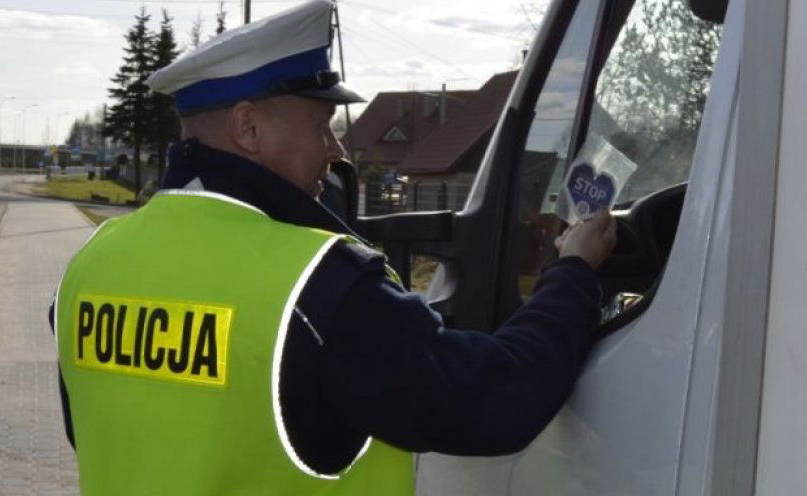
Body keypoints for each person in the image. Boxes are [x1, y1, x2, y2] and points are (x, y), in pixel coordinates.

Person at [50, 1, 617, 495]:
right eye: (323, 124)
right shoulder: (319, 289)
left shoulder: (92, 263)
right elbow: (497, 399)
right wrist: (572, 271)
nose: (335, 147)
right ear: (249, 129)